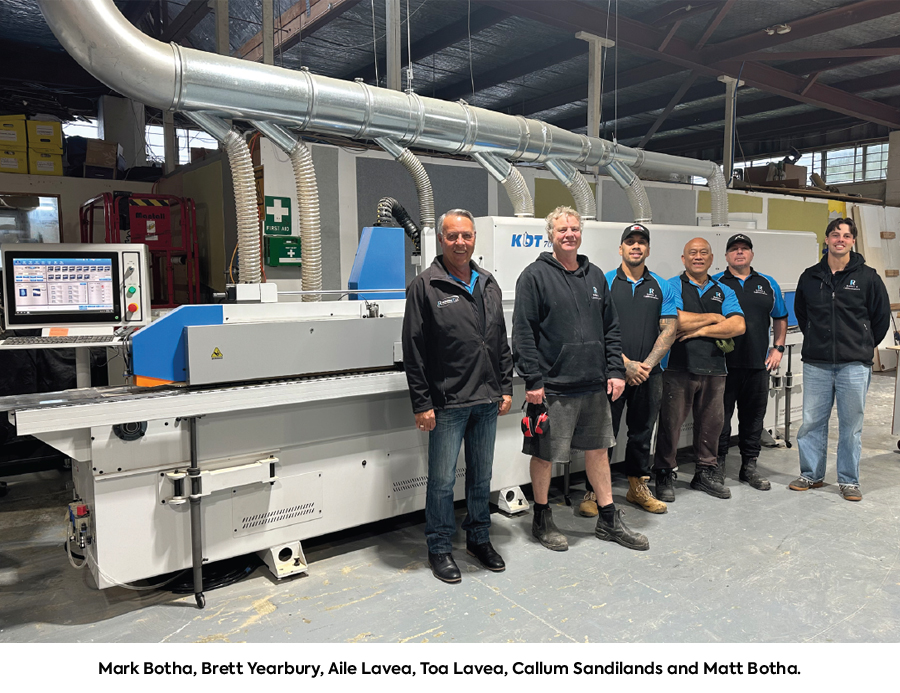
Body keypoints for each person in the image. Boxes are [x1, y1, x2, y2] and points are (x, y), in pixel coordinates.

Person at [513, 206, 648, 552]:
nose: (569, 234)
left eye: (574, 229)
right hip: (553, 387)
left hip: (594, 385)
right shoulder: (534, 276)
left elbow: (611, 328)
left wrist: (615, 371)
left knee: (599, 451)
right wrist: (533, 380)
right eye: (562, 230)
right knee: (545, 454)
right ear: (551, 235)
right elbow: (523, 333)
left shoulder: (596, 276)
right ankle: (542, 517)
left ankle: (608, 518)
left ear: (580, 234)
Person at [402, 208, 514, 583]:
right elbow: (414, 350)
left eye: (466, 235)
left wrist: (505, 387)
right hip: (447, 403)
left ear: (474, 239)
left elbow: (499, 340)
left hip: (487, 399)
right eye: (452, 236)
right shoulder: (426, 286)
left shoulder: (488, 283)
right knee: (442, 481)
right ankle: (439, 547)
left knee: (481, 477)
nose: (460, 242)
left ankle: (479, 539)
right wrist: (422, 403)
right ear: (441, 239)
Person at [578, 223, 677, 517]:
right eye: (630, 241)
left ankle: (637, 487)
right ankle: (594, 491)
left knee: (642, 433)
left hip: (649, 374)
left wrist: (645, 366)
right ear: (620, 248)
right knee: (602, 435)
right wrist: (625, 364)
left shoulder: (662, 286)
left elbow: (669, 329)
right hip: (611, 372)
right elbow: (595, 328)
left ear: (648, 249)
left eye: (641, 242)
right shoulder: (604, 282)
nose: (636, 246)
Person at [790, 217, 889, 501]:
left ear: (853, 241)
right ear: (827, 240)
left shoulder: (868, 277)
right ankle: (811, 474)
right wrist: (817, 339)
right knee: (811, 421)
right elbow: (802, 314)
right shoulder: (810, 276)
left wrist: (862, 345)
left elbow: (881, 318)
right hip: (817, 363)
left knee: (851, 425)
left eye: (846, 235)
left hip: (854, 365)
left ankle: (848, 480)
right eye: (835, 235)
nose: (840, 240)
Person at [653, 237, 745, 500]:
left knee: (711, 426)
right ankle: (664, 473)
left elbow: (738, 325)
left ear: (711, 258)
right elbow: (675, 321)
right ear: (684, 259)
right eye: (692, 253)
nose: (698, 257)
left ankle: (705, 473)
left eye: (704, 252)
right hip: (677, 367)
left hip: (715, 368)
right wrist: (715, 318)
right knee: (670, 425)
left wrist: (699, 331)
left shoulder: (723, 290)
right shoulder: (671, 286)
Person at [713, 233, 788, 491]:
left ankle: (749, 467)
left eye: (744, 248)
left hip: (758, 366)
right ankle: (717, 467)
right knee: (720, 421)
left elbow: (780, 316)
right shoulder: (715, 283)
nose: (739, 252)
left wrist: (778, 348)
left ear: (752, 254)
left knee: (753, 420)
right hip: (722, 366)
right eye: (734, 249)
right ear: (726, 256)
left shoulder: (767, 283)